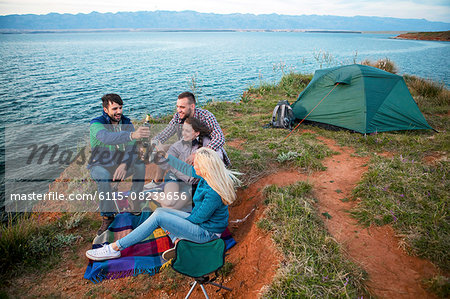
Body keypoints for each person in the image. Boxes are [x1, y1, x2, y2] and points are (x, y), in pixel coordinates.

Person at [85, 147, 241, 261]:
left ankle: (115, 248)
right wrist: (166, 156)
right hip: (201, 223)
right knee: (162, 212)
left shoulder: (213, 192)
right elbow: (185, 168)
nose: (194, 166)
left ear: (206, 167)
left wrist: (173, 221)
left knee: (161, 217)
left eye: (197, 164)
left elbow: (196, 219)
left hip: (208, 234)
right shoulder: (208, 175)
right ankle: (179, 242)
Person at [88, 93, 150, 235]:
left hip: (119, 164)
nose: (119, 112)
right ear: (105, 110)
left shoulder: (126, 123)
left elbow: (131, 148)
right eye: (115, 109)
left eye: (120, 108)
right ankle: (107, 216)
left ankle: (134, 201)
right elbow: (107, 138)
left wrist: (124, 165)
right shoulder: (96, 124)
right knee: (103, 176)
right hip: (100, 165)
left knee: (140, 165)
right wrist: (131, 135)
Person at [146, 91, 230, 189]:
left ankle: (208, 183)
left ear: (192, 106)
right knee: (162, 148)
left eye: (182, 107)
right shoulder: (178, 117)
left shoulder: (206, 116)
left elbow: (219, 138)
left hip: (207, 150)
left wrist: (199, 154)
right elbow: (166, 133)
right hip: (187, 147)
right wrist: (153, 142)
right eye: (177, 106)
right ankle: (157, 182)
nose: (178, 110)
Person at [149, 117, 225, 212]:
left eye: (187, 131)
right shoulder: (179, 144)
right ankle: (150, 194)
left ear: (197, 133)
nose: (183, 133)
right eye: (183, 130)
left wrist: (197, 154)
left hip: (191, 185)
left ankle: (161, 197)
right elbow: (166, 165)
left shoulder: (207, 143)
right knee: (169, 202)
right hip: (175, 178)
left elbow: (218, 159)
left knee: (170, 208)